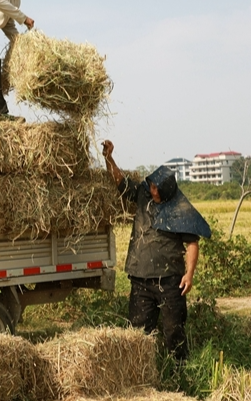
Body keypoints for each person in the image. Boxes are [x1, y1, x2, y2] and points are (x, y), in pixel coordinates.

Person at [102, 140, 211, 361]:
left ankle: (178, 371)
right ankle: (142, 372)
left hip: (170, 281)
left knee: (174, 332)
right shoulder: (143, 195)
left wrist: (189, 275)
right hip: (140, 279)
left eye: (157, 189)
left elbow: (192, 244)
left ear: (168, 189)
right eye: (151, 186)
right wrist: (109, 158)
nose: (153, 192)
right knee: (138, 333)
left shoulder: (181, 209)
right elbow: (120, 182)